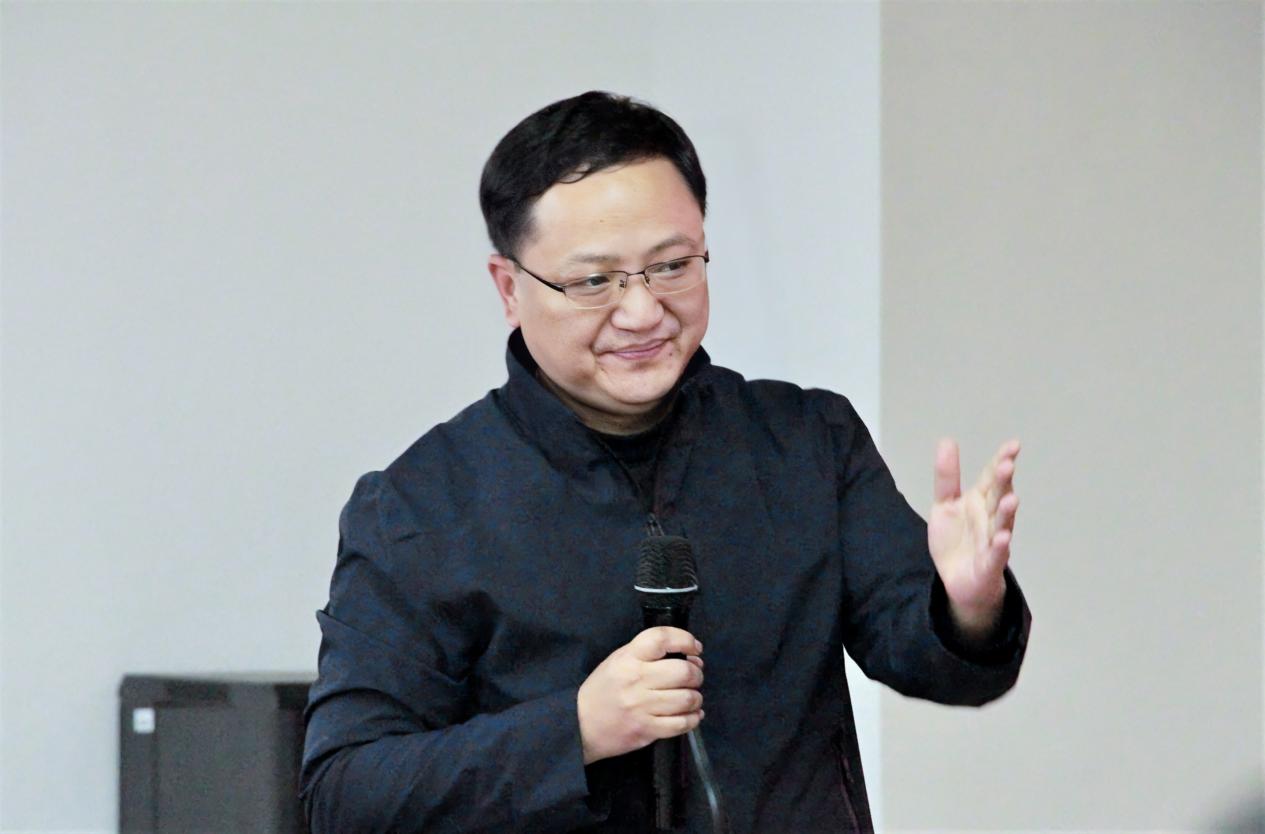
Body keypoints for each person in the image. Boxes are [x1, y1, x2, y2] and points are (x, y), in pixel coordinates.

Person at [300, 91, 1032, 834]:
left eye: (673, 265)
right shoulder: (421, 508)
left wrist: (968, 606)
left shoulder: (804, 441)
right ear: (509, 288)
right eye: (594, 281)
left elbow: (934, 661)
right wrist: (575, 730)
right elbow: (345, 792)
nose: (643, 311)